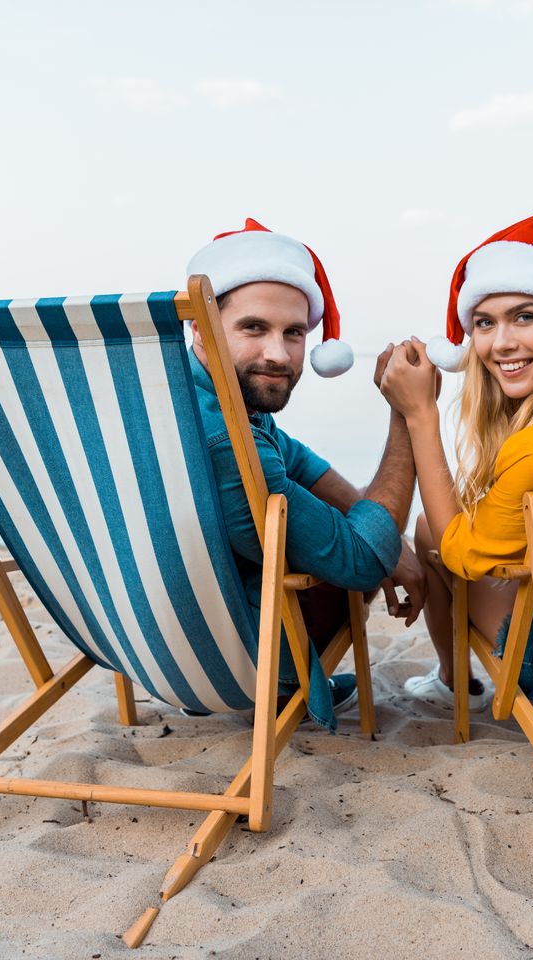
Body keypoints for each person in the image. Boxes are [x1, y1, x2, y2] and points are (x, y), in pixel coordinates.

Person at [186, 218, 426, 730]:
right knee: (351, 565)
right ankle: (289, 683)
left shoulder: (171, 399)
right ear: (201, 329)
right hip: (239, 663)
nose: (277, 353)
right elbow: (362, 561)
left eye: (293, 333)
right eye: (254, 327)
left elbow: (297, 461)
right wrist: (407, 415)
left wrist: (398, 546)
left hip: (151, 649)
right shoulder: (228, 441)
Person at [378, 212, 533, 710]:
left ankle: (451, 678)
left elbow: (461, 554)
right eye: (484, 323)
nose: (501, 343)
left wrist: (419, 414)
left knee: (429, 530)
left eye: (525, 316)